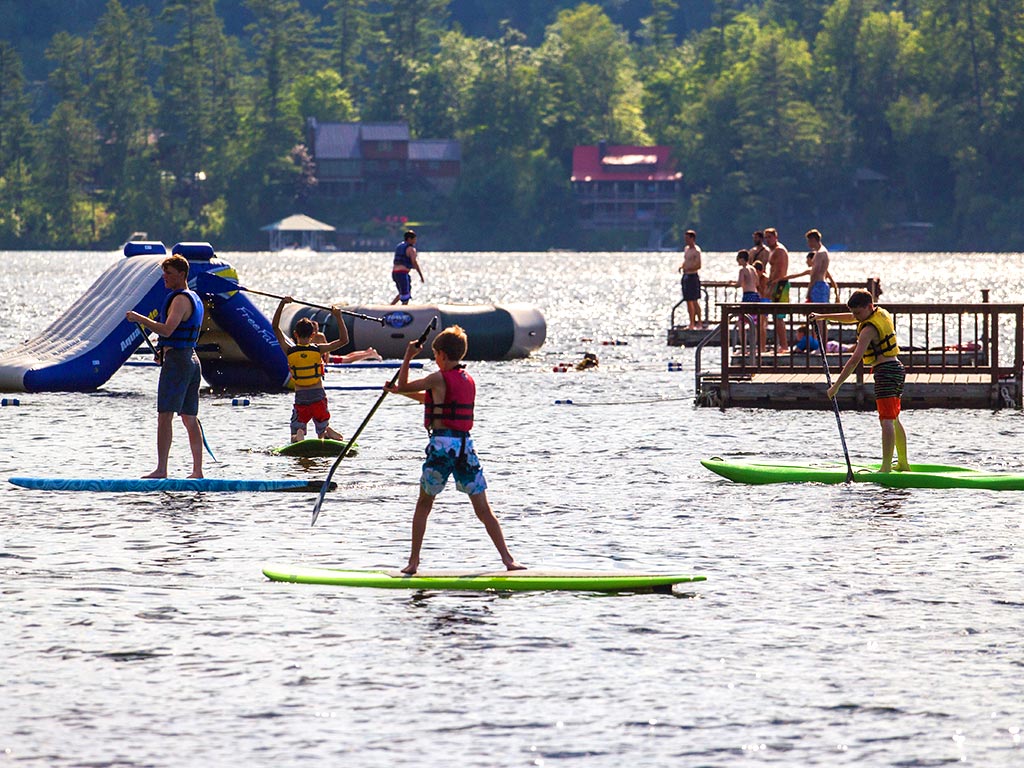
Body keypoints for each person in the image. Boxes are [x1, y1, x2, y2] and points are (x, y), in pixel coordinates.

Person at [384, 325, 524, 574]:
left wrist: (407, 356)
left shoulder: (438, 377)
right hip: (465, 447)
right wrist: (398, 393)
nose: (435, 359)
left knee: (424, 504)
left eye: (436, 355)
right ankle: (508, 560)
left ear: (443, 356)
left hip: (442, 447)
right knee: (483, 509)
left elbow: (405, 383)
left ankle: (413, 562)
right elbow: (434, 400)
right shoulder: (466, 379)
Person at [811, 289, 909, 473]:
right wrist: (822, 317)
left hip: (885, 372)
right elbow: (850, 317)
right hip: (896, 369)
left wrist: (836, 386)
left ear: (869, 306)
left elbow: (855, 360)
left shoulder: (868, 329)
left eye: (858, 313)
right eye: (854, 313)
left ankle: (886, 467)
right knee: (894, 418)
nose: (855, 317)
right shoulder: (879, 313)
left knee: (886, 420)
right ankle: (903, 463)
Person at [126, 254, 205, 478]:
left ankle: (161, 470)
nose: (165, 278)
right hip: (190, 359)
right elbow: (176, 336)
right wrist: (163, 351)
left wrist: (140, 318)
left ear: (182, 274)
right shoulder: (194, 298)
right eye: (164, 273)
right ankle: (197, 471)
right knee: (189, 418)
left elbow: (167, 330)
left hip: (180, 362)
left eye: (169, 273)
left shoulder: (180, 299)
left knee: (165, 416)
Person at [272, 298, 351, 443]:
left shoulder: (289, 350)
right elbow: (344, 340)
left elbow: (275, 327)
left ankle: (299, 433)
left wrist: (282, 304)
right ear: (313, 335)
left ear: (295, 334)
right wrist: (338, 317)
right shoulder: (319, 349)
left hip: (301, 396)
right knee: (321, 428)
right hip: (318, 394)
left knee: (295, 433)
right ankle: (325, 430)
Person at [764, 227, 791, 353]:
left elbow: (779, 270)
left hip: (780, 285)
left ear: (776, 237)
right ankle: (781, 345)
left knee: (778, 316)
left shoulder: (779, 250)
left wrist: (772, 286)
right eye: (766, 237)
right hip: (775, 284)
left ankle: (784, 346)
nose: (768, 240)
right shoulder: (772, 250)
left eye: (770, 237)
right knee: (775, 317)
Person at [677, 229, 703, 329]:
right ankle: (691, 323)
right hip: (686, 276)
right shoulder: (686, 249)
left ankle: (699, 322)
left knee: (694, 300)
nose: (686, 240)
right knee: (688, 301)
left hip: (693, 276)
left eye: (687, 238)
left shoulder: (696, 251)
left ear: (692, 238)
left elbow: (698, 265)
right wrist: (682, 266)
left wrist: (688, 268)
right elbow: (686, 261)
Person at [391, 229, 424, 305]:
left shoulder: (399, 246)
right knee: (405, 295)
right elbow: (414, 263)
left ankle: (390, 307)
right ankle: (404, 311)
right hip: (402, 274)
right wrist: (421, 275)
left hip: (395, 274)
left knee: (403, 292)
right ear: (409, 239)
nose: (415, 241)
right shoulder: (411, 249)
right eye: (414, 239)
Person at [733, 250, 760, 344]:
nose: (737, 262)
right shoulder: (753, 269)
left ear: (741, 259)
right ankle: (754, 346)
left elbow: (739, 283)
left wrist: (732, 284)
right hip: (755, 296)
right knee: (754, 323)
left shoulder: (742, 270)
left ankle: (743, 347)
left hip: (747, 296)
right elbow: (757, 282)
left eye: (738, 259)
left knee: (741, 323)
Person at [804, 229, 832, 303]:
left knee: (816, 310)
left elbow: (815, 273)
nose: (808, 244)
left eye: (809, 241)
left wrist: (809, 291)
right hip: (823, 285)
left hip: (818, 285)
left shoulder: (820, 253)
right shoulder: (824, 252)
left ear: (813, 240)